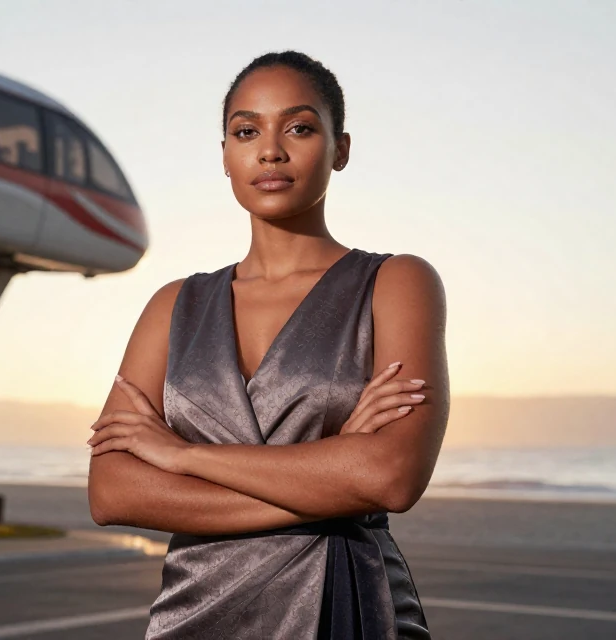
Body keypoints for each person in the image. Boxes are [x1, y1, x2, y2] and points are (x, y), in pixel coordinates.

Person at [86, 51, 448, 639]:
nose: (270, 150)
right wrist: (333, 478)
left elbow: (392, 475)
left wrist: (183, 458)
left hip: (345, 608)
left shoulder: (396, 282)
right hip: (193, 616)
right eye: (246, 131)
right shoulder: (172, 305)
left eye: (300, 128)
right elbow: (112, 492)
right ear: (225, 156)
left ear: (341, 149)